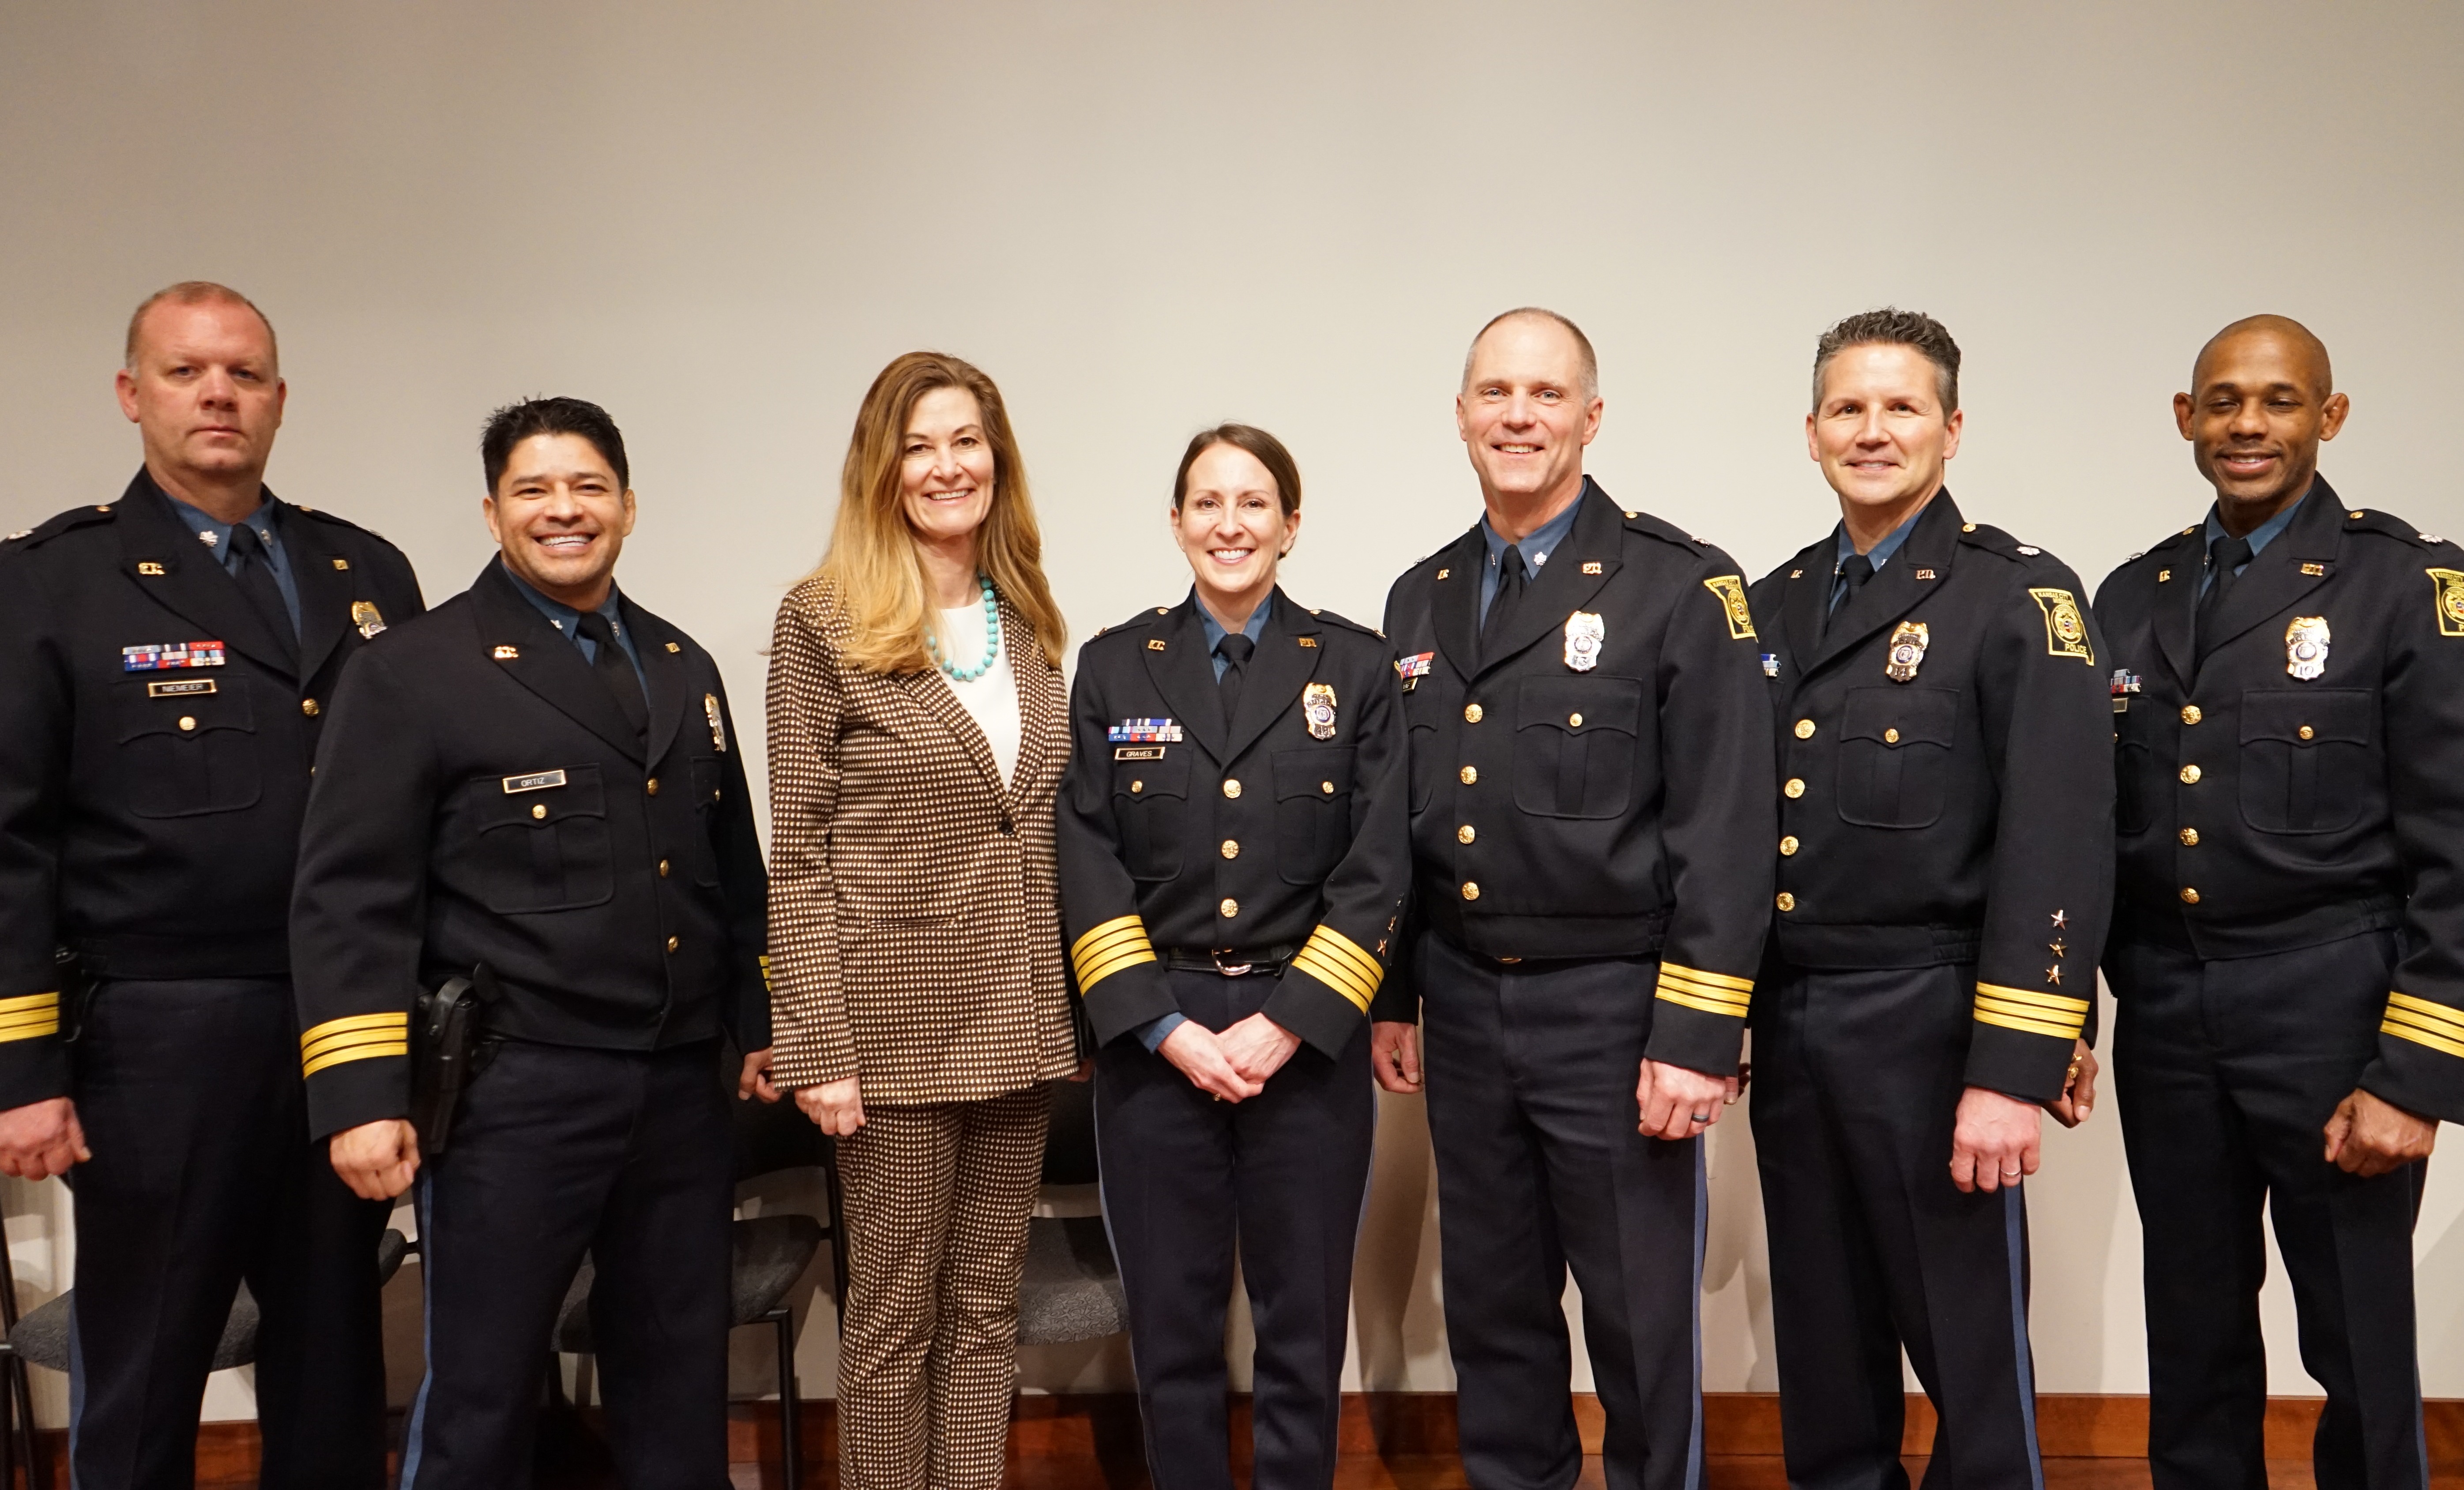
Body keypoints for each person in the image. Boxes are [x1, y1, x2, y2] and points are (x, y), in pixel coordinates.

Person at [289, 396, 772, 1488]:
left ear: (629, 505)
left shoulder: (679, 663)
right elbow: (349, 896)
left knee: (677, 1374)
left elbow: (731, 870)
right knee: (482, 1389)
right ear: (493, 509)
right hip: (518, 1089)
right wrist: (364, 1093)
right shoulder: (415, 669)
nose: (565, 510)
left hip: (678, 1089)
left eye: (589, 487)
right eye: (535, 489)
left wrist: (759, 1018)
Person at [0, 282, 419, 1490]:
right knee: (146, 1366)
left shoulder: (367, 572)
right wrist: (24, 1071)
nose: (218, 394)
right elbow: (10, 840)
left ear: (280, 401)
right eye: (186, 373)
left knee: (337, 1362)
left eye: (242, 373)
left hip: (342, 1028)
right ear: (133, 397)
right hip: (157, 1040)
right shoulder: (53, 583)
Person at [1371, 309, 1776, 1490]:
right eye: (1495, 392)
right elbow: (1399, 831)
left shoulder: (1681, 587)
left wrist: (1698, 1035)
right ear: (1461, 415)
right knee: (1496, 1311)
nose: (1518, 415)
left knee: (1643, 1322)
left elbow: (1728, 826)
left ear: (1591, 418)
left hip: (1618, 1008)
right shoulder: (1419, 598)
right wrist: (1395, 994)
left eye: (1546, 395)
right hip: (1463, 1000)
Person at [1743, 308, 2112, 1490]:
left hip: (1939, 1017)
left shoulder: (2020, 600)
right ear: (1810, 434)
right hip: (1796, 1020)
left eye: (1901, 408)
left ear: (1953, 431)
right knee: (1824, 1345)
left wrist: (2019, 1060)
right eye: (1847, 409)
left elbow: (2058, 844)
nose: (1872, 431)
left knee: (1968, 1349)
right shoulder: (1774, 605)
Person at [2093, 316, 2464, 1490]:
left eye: (2279, 401)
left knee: (2357, 1334)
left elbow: (2456, 844)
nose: (2247, 425)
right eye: (2223, 402)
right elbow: (2096, 831)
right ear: (2186, 417)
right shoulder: (2132, 593)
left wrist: (2416, 1073)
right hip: (2167, 1005)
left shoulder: (2408, 586)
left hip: (2333, 1007)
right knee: (2191, 1325)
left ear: (2330, 416)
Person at [1056, 424, 1408, 1490]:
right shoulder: (1117, 665)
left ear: (1290, 526)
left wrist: (1289, 1018)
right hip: (1153, 1042)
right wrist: (1160, 1026)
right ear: (1175, 524)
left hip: (1303, 1041)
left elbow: (1379, 862)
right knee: (1170, 1335)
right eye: (1205, 503)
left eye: (1254, 503)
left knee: (1302, 1333)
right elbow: (1085, 856)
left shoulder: (1351, 666)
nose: (1229, 524)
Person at [764, 352, 1080, 1490]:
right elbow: (795, 853)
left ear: (997, 457)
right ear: (881, 467)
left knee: (987, 1314)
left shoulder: (1030, 615)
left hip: (1018, 1022)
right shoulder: (823, 620)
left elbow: (1037, 828)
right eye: (920, 445)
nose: (947, 466)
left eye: (966, 440)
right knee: (893, 1326)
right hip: (886, 1047)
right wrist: (817, 1047)